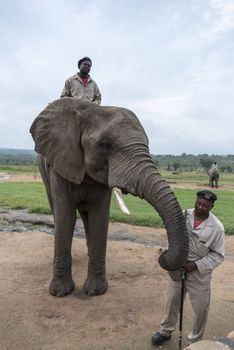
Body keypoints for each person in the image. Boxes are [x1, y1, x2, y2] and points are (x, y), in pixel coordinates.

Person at [151, 190, 225, 346]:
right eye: (198, 203)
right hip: (178, 267)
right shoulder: (183, 216)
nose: (200, 207)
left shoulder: (217, 228)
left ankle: (195, 340)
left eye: (205, 206)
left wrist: (195, 265)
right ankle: (165, 330)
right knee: (172, 301)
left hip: (199, 273)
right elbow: (172, 236)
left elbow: (218, 255)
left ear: (211, 206)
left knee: (200, 310)